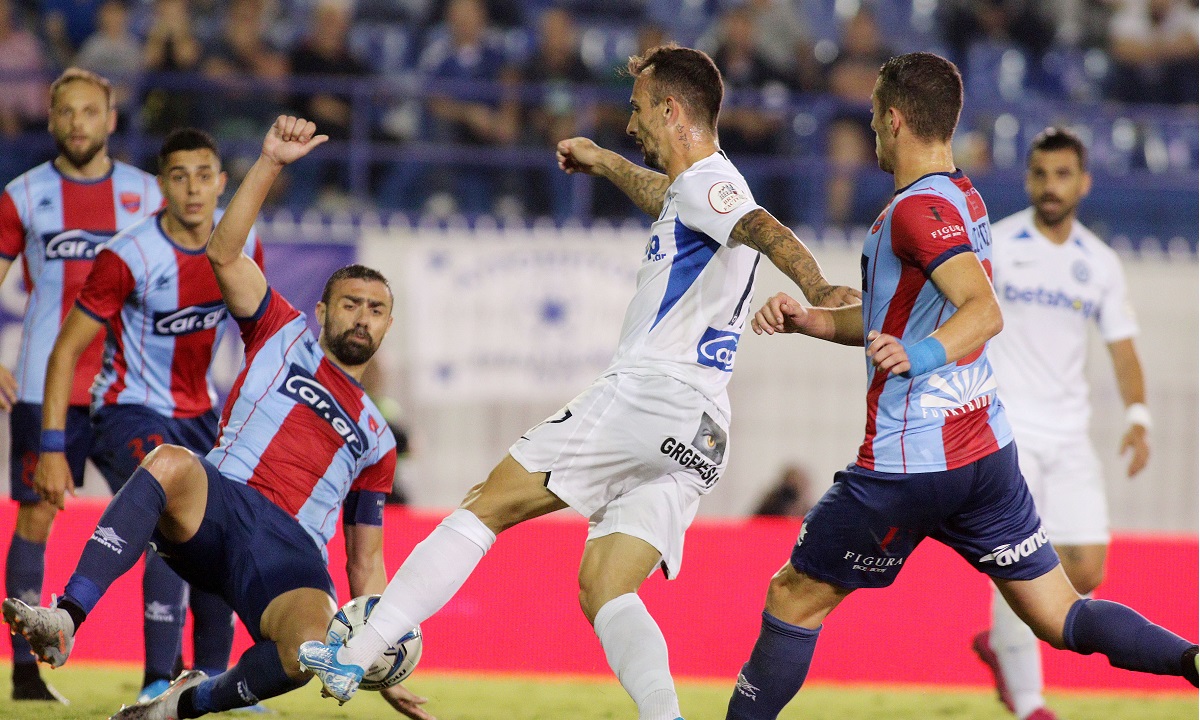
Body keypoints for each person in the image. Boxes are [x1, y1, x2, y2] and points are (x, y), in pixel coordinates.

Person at [297, 44, 860, 720]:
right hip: (702, 430)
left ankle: (356, 653)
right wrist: (605, 162)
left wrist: (819, 288)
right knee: (605, 588)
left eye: (638, 109)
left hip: (649, 395)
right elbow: (670, 197)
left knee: (486, 505)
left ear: (671, 110)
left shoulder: (715, 184)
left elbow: (760, 225)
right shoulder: (692, 192)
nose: (630, 123)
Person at [726, 52, 1198, 720]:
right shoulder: (962, 198)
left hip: (910, 463)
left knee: (792, 598)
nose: (871, 128)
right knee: (1060, 613)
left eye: (874, 116)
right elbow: (897, 318)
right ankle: (1191, 660)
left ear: (894, 119)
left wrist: (918, 355)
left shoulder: (915, 211)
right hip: (986, 456)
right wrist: (814, 320)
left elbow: (983, 311)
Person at [3, 116, 436, 720]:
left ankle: (182, 705)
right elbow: (223, 252)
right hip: (222, 502)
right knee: (170, 461)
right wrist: (270, 163)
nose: (362, 317)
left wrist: (379, 658)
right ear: (322, 310)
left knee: (308, 650)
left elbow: (365, 561)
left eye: (376, 310)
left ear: (388, 324)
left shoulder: (379, 439)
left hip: (292, 554)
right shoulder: (281, 330)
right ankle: (67, 617)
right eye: (350, 304)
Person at [34, 126, 267, 703]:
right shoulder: (129, 254)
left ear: (222, 182)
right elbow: (65, 351)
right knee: (171, 512)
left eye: (204, 176)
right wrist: (53, 446)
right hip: (128, 410)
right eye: (179, 177)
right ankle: (156, 680)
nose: (193, 189)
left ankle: (211, 681)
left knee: (221, 531)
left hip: (201, 414)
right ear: (161, 185)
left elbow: (259, 339)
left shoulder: (241, 244)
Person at [969, 126, 1154, 720]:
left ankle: (1002, 642)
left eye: (1063, 175)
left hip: (1071, 436)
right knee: (1019, 561)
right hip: (1008, 429)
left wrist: (1138, 415)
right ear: (1028, 180)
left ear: (1084, 183)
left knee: (1086, 571)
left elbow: (1122, 347)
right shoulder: (998, 245)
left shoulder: (1099, 263)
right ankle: (1029, 700)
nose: (1051, 186)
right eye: (1041, 174)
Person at [0, 68, 162, 704]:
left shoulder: (148, 195)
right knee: (37, 516)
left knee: (168, 518)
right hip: (45, 387)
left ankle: (162, 673)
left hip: (126, 389)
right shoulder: (22, 195)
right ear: (50, 118)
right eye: (66, 111)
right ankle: (25, 674)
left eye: (90, 111)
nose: (77, 123)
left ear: (112, 119)